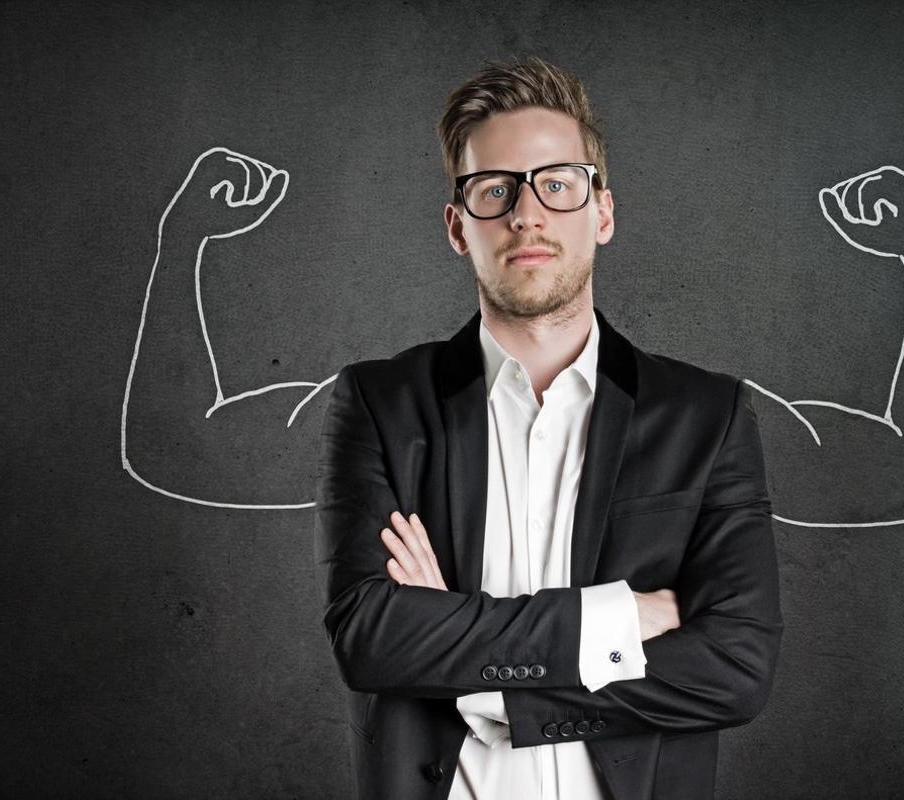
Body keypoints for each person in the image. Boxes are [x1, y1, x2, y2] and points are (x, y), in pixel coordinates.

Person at [314, 56, 782, 800]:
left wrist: (486, 684)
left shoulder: (707, 416)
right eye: (493, 190)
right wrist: (617, 617)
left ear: (602, 211)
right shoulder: (381, 402)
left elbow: (736, 667)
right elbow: (371, 639)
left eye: (555, 184)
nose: (526, 213)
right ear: (458, 227)